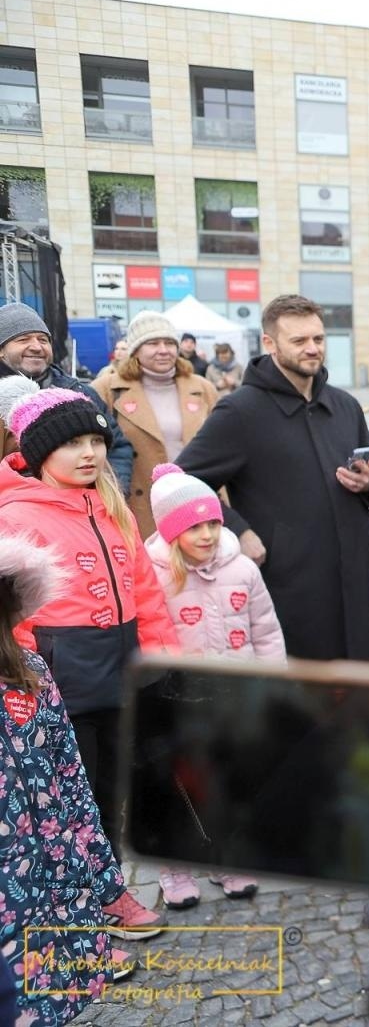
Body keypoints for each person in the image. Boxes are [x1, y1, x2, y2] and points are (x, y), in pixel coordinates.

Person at [0, 385, 175, 937]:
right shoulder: (16, 516)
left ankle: (110, 894)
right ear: (37, 452)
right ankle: (79, 918)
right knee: (65, 808)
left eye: (97, 440)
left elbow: (144, 589)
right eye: (72, 442)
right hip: (60, 682)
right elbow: (14, 614)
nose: (89, 453)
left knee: (109, 795)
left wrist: (163, 659)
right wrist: (25, 682)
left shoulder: (112, 507)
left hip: (120, 672)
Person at [176, 294, 369, 661]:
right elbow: (184, 478)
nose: (312, 349)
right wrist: (237, 529)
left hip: (356, 573)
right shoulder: (240, 410)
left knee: (361, 686)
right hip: (291, 582)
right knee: (304, 695)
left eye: (318, 339)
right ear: (269, 343)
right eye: (299, 341)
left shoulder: (345, 406)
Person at [0, 534, 143, 1022]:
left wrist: (103, 879)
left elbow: (73, 782)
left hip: (53, 891)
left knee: (53, 1005)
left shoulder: (33, 673)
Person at [142, 463, 283, 910]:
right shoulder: (155, 575)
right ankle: (175, 867)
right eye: (193, 526)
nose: (205, 534)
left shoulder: (242, 570)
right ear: (170, 532)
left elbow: (266, 630)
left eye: (212, 523)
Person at [91, 310, 219, 538]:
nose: (163, 350)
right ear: (135, 350)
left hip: (198, 502)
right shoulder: (106, 389)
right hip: (138, 505)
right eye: (153, 343)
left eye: (169, 342)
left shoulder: (202, 387)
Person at [0, 302, 134, 493]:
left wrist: (112, 495)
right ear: (1, 350)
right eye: (23, 340)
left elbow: (118, 448)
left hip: (82, 512)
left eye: (43, 340)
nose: (37, 347)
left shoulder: (79, 393)